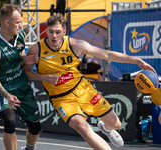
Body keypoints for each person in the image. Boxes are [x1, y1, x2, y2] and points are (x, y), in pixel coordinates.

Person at [23, 13, 156, 150]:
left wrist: (137, 61)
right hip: (61, 99)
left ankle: (105, 127)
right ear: (47, 31)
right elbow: (26, 72)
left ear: (64, 32)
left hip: (83, 90)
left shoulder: (76, 45)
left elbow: (106, 54)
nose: (54, 36)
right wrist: (43, 78)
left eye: (58, 32)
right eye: (50, 32)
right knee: (84, 128)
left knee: (116, 124)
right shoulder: (36, 49)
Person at [0, 4, 41, 150]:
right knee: (10, 122)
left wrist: (25, 60)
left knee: (35, 126)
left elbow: (20, 56)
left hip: (21, 84)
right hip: (4, 88)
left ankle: (29, 148)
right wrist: (7, 95)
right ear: (6, 22)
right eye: (18, 22)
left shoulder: (20, 35)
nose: (21, 25)